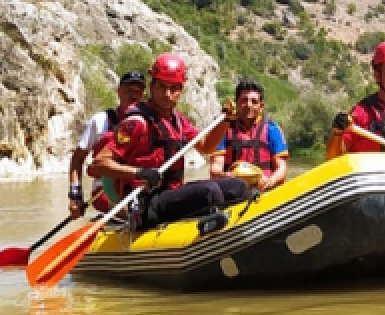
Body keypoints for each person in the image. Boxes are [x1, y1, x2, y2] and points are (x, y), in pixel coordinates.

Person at [88, 52, 251, 232]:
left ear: (180, 91)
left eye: (173, 89)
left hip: (171, 194)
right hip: (144, 204)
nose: (167, 94)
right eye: (162, 87)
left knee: (238, 187)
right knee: (209, 192)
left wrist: (226, 121)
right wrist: (139, 173)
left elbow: (206, 147)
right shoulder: (136, 122)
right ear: (152, 86)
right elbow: (100, 163)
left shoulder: (179, 121)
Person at [68, 70, 147, 218]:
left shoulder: (148, 122)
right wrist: (75, 195)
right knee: (137, 213)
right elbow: (77, 159)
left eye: (138, 92)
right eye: (129, 91)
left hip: (137, 190)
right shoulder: (100, 121)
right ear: (119, 92)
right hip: (105, 192)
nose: (134, 96)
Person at [210, 79, 289, 191]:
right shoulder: (223, 129)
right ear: (236, 103)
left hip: (264, 191)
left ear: (261, 106)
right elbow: (215, 168)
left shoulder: (272, 129)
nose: (248, 105)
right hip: (233, 190)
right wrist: (225, 176)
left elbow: (282, 168)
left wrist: (270, 182)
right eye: (244, 100)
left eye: (254, 101)